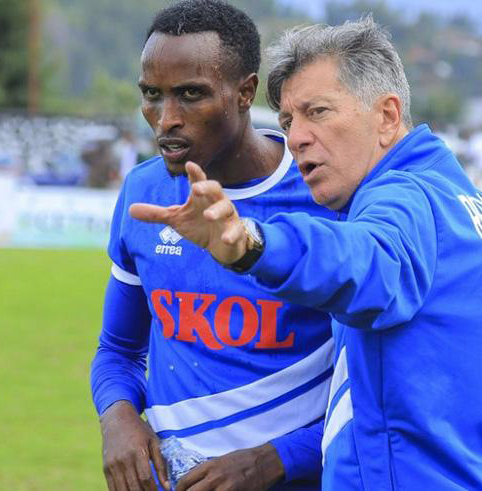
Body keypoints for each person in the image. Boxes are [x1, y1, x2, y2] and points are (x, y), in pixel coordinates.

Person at [130, 17, 482, 489]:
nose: (297, 136)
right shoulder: (459, 194)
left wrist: (251, 243)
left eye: (318, 112)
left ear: (386, 116)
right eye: (287, 120)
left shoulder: (402, 197)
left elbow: (366, 263)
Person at [89, 2, 334, 491]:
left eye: (191, 95)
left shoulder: (324, 195)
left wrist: (273, 461)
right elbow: (117, 348)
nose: (166, 119)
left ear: (245, 92)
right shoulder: (144, 193)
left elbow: (377, 391)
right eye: (152, 95)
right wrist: (117, 418)